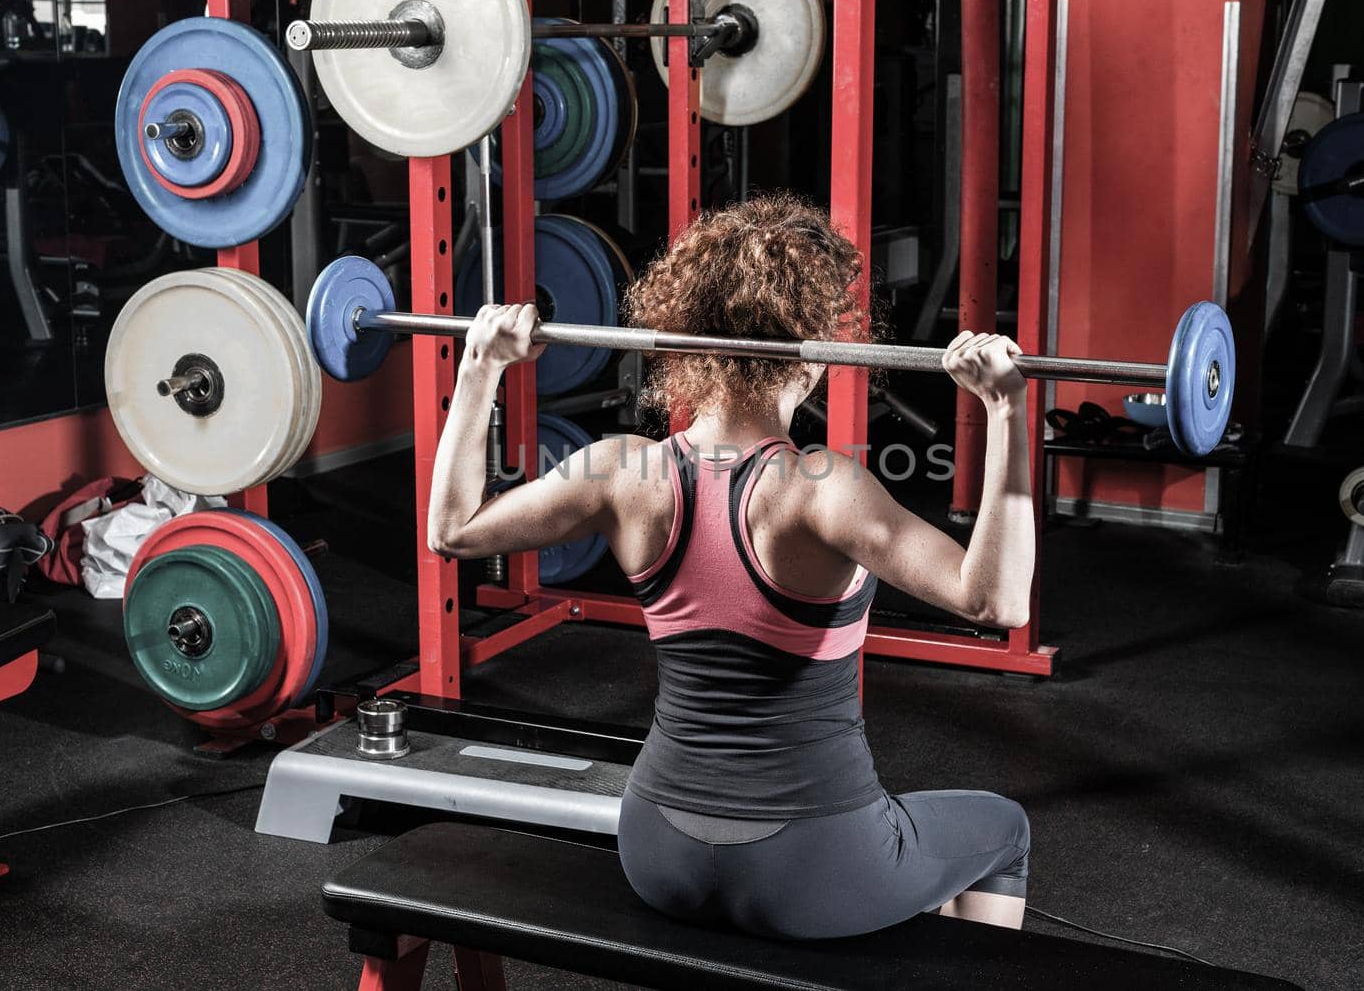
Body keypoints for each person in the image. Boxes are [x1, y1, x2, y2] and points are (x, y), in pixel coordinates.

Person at [428, 193, 1036, 940]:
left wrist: (481, 369)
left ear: (684, 343)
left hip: (657, 852)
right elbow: (997, 601)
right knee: (1002, 829)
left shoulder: (620, 470)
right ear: (812, 354)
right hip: (813, 866)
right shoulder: (822, 490)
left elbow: (452, 531)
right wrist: (1007, 412)